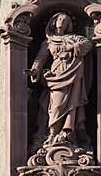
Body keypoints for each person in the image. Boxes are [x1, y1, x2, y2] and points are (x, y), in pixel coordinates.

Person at [26, 12, 93, 147]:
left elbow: (87, 44)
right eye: (60, 19)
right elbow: (40, 58)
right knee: (55, 106)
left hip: (73, 74)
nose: (62, 21)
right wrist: (35, 70)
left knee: (71, 104)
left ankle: (66, 134)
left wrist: (70, 47)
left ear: (69, 24)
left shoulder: (74, 38)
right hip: (57, 73)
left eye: (65, 19)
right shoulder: (48, 41)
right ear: (53, 21)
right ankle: (52, 134)